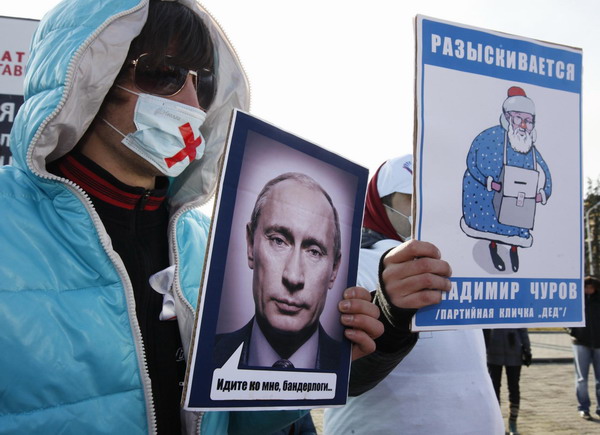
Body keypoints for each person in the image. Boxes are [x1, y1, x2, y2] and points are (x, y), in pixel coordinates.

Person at [0, 1, 453, 433]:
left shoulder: (207, 242)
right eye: (164, 72)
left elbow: (230, 420)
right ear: (87, 77)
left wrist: (318, 366)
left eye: (206, 82)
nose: (194, 103)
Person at [324, 155, 504, 435]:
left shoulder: (459, 264)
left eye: (434, 199)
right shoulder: (347, 263)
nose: (426, 209)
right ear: (380, 204)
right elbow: (342, 376)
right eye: (412, 198)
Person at [214, 173, 342, 370]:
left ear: (334, 270)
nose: (293, 277)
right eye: (278, 241)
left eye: (314, 252)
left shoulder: (351, 364)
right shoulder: (204, 355)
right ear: (250, 245)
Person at [460, 86, 552, 272]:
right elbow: (472, 162)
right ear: (509, 117)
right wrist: (490, 183)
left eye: (528, 120)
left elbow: (545, 170)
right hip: (488, 194)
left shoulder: (529, 145)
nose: (524, 125)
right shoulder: (488, 136)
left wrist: (544, 192)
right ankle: (493, 247)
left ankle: (514, 249)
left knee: (517, 218)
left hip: (518, 196)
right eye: (519, 118)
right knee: (495, 217)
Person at [485, 328, 532, 435]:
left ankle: (513, 423)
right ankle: (496, 422)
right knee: (493, 390)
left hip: (514, 351)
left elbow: (522, 328)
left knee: (514, 388)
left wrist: (527, 350)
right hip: (493, 352)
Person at [568, 276, 600, 420]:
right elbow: (566, 316)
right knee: (582, 378)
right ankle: (583, 407)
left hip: (599, 344)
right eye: (586, 287)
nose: (588, 290)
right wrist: (573, 331)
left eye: (591, 287)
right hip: (580, 343)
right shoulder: (576, 300)